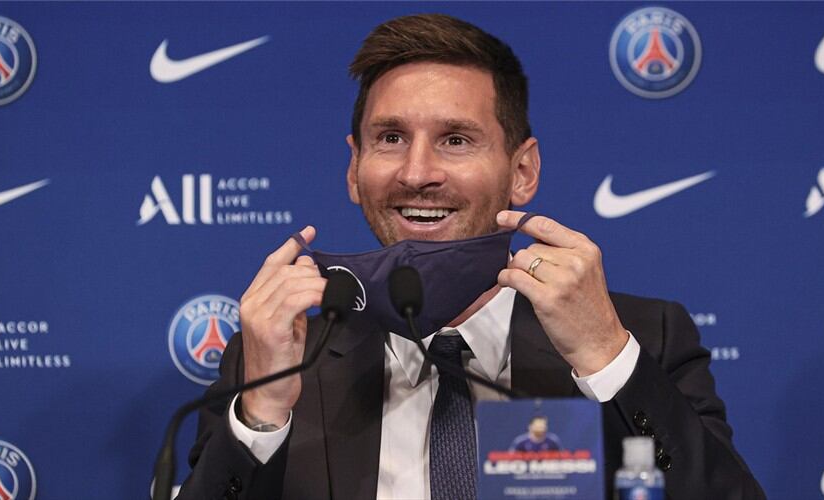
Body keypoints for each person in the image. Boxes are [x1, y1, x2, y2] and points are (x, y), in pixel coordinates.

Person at [177, 13, 765, 500]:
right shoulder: (278, 360)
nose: (417, 173)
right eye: (390, 138)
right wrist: (260, 414)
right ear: (354, 170)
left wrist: (604, 357)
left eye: (456, 140)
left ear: (522, 171)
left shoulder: (642, 337)